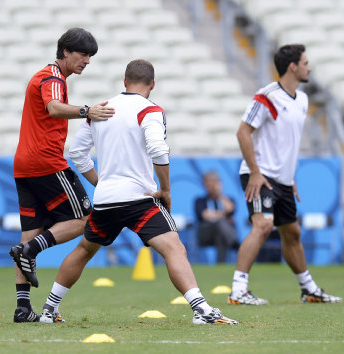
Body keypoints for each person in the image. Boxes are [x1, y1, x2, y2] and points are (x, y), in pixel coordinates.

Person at [37, 59, 238, 325]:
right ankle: (201, 310)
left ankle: (49, 310)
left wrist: (103, 182)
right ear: (152, 85)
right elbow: (158, 148)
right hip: (139, 200)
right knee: (174, 249)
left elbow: (76, 153)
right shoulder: (150, 110)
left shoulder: (100, 109)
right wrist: (165, 189)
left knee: (84, 250)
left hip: (106, 200)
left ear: (124, 82)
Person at [9, 28, 115, 323]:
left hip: (24, 165)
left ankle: (22, 308)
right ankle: (27, 251)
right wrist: (87, 111)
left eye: (90, 56)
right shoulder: (52, 77)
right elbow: (53, 108)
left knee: (31, 229)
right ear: (66, 52)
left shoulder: (47, 77)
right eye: (83, 55)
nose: (87, 61)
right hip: (46, 162)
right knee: (85, 220)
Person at [228, 44, 342, 305]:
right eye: (305, 62)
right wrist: (256, 173)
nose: (309, 67)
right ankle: (238, 290)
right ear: (293, 66)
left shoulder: (302, 99)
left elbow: (286, 143)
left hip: (282, 180)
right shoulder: (266, 96)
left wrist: (289, 178)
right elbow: (242, 132)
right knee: (263, 225)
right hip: (260, 176)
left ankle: (309, 290)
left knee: (292, 233)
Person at [194, 171, 238, 263]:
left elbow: (230, 209)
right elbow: (205, 215)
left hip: (221, 234)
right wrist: (223, 215)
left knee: (221, 234)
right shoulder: (200, 201)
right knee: (220, 222)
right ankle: (235, 243)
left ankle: (220, 265)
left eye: (211, 183)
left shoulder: (227, 199)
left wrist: (220, 195)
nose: (208, 186)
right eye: (206, 183)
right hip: (205, 233)